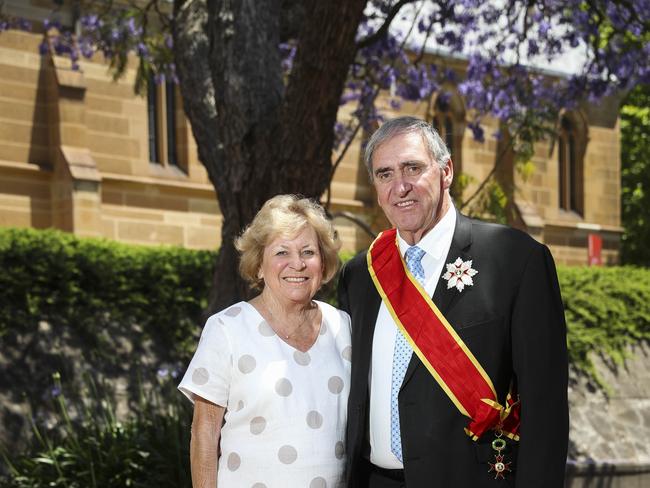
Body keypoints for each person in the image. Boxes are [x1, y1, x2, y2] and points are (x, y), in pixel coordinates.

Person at [338, 116, 569, 487]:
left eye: (413, 167)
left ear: (446, 171)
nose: (400, 186)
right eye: (385, 174)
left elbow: (545, 409)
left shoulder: (515, 260)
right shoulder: (360, 276)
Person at [178, 194, 352, 488]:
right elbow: (204, 432)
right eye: (282, 252)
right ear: (259, 265)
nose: (296, 264)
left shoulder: (342, 326)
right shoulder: (227, 328)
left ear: (322, 264)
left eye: (308, 252)